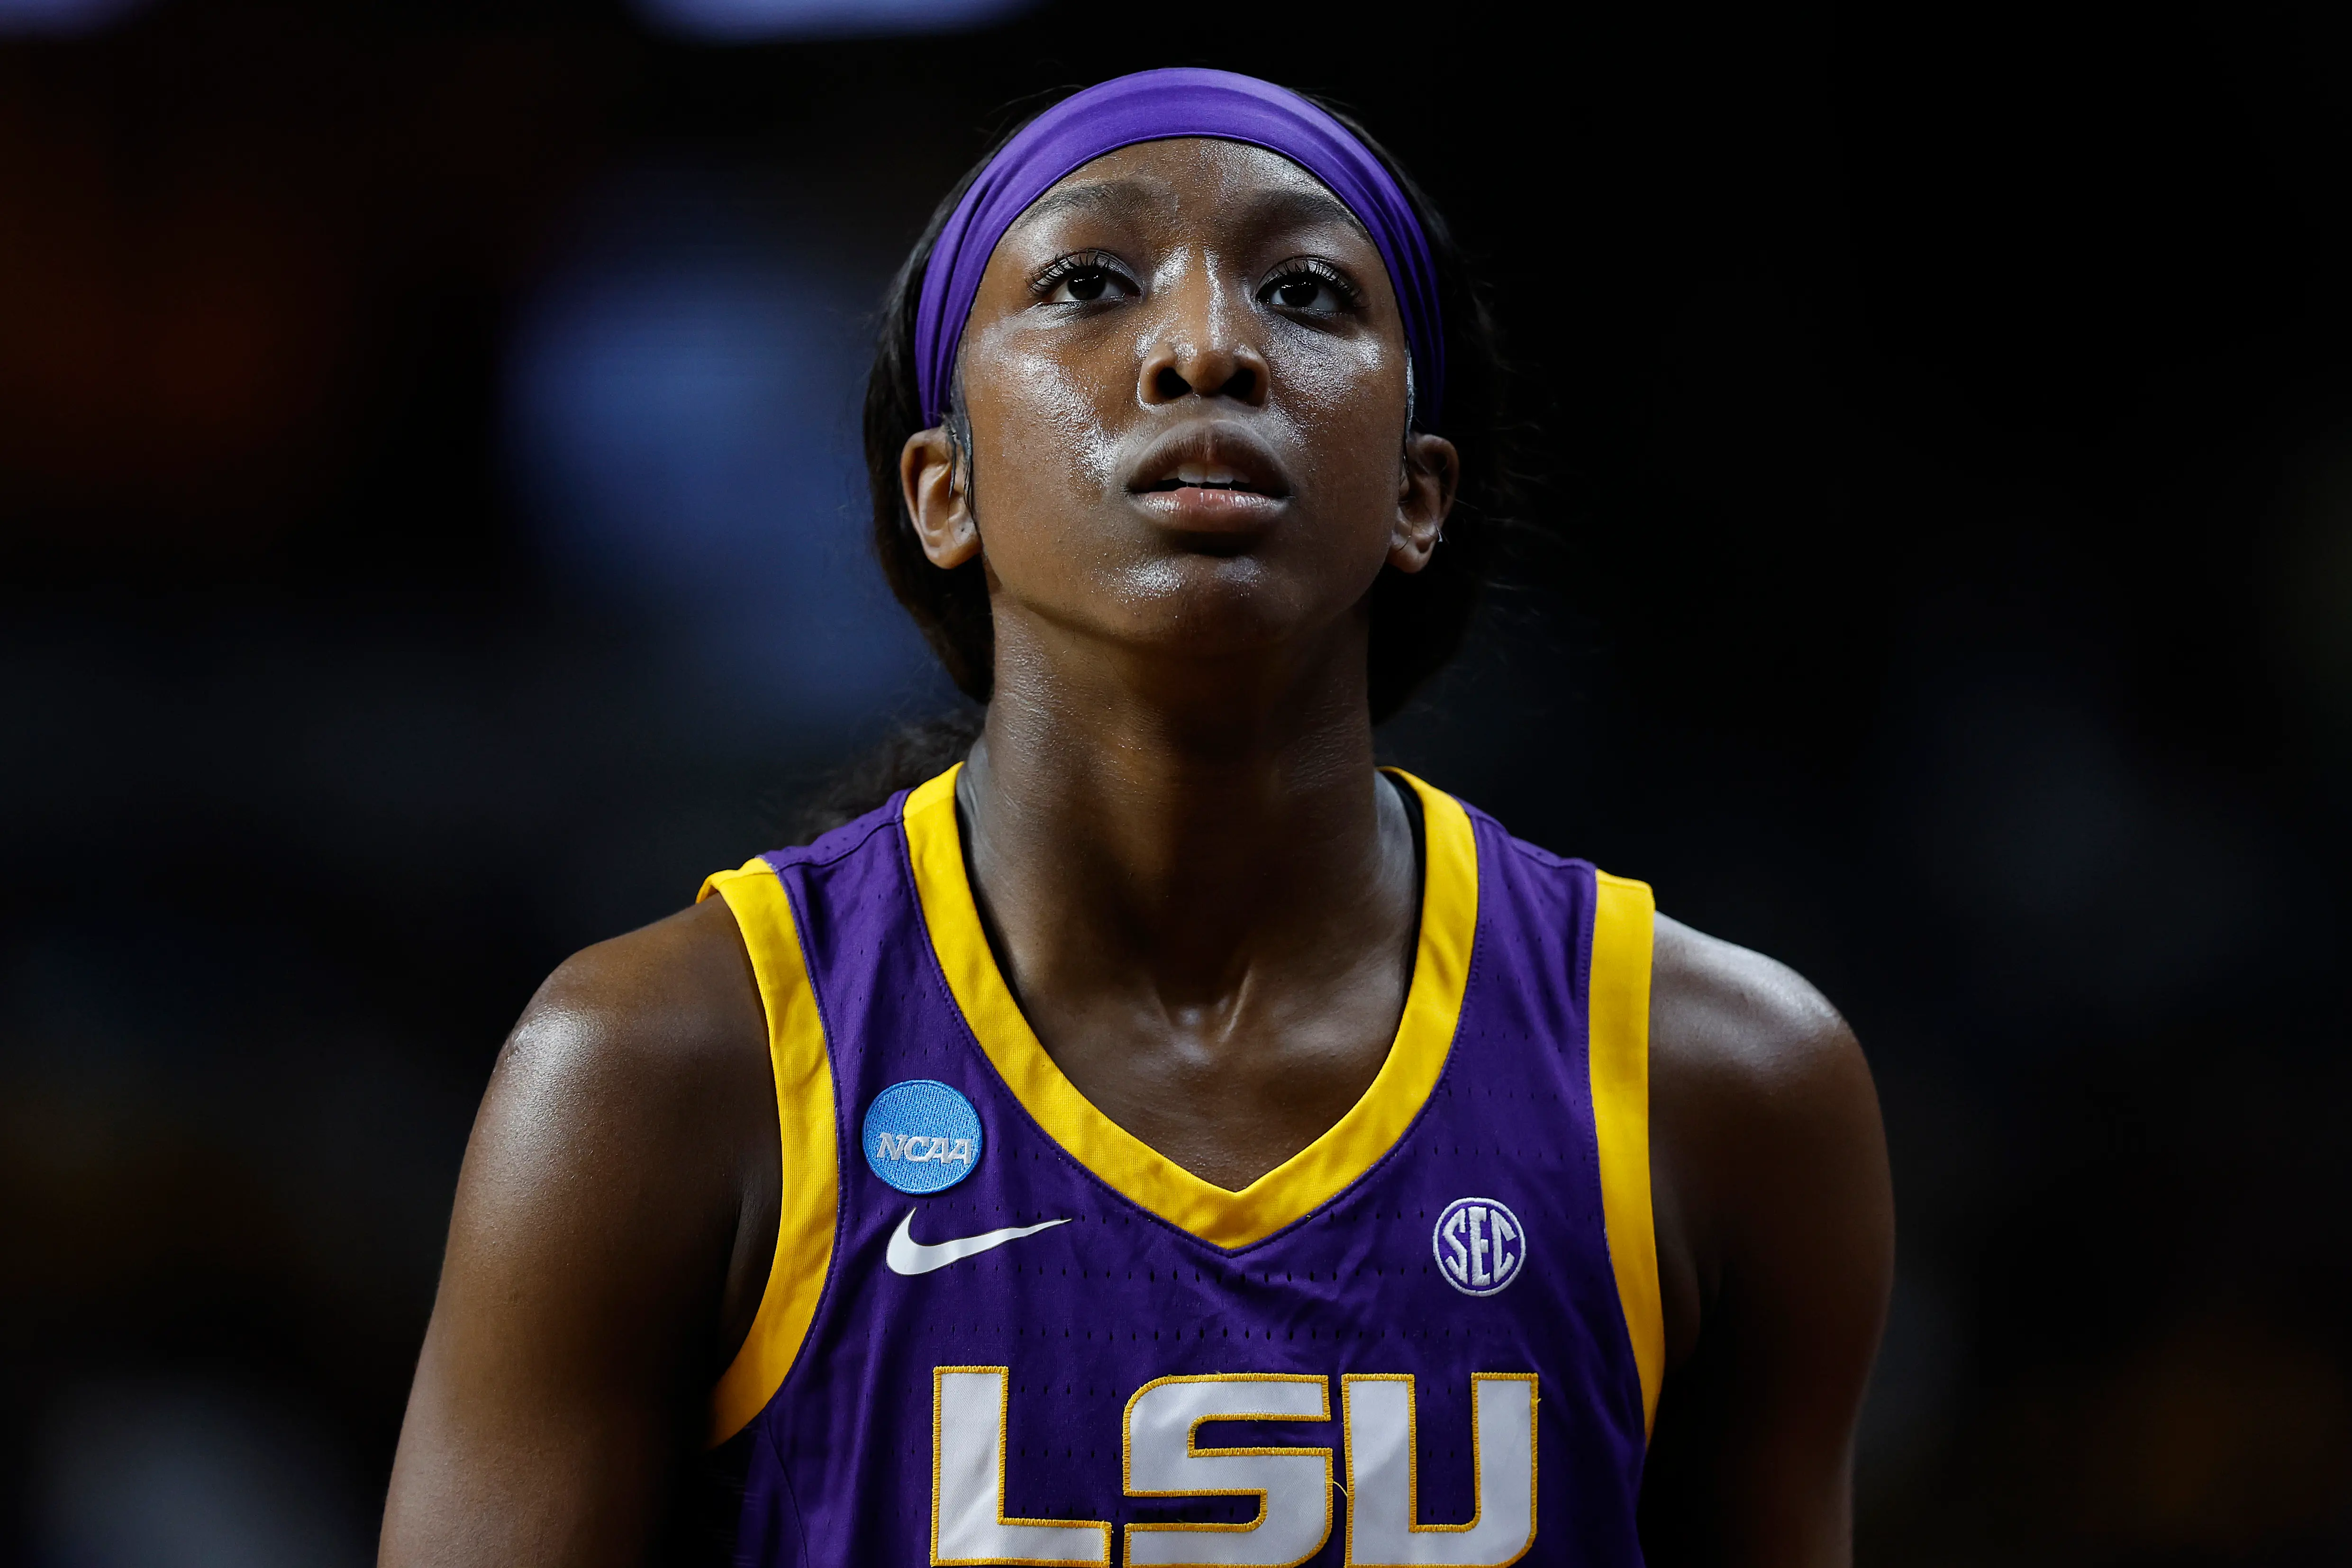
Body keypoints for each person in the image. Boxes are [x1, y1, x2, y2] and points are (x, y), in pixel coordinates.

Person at [379, 67, 1893, 1568]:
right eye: (1093, 284)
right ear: (940, 492)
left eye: (1305, 295)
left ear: (1419, 497)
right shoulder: (660, 1070)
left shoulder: (1725, 1083)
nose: (1206, 346)